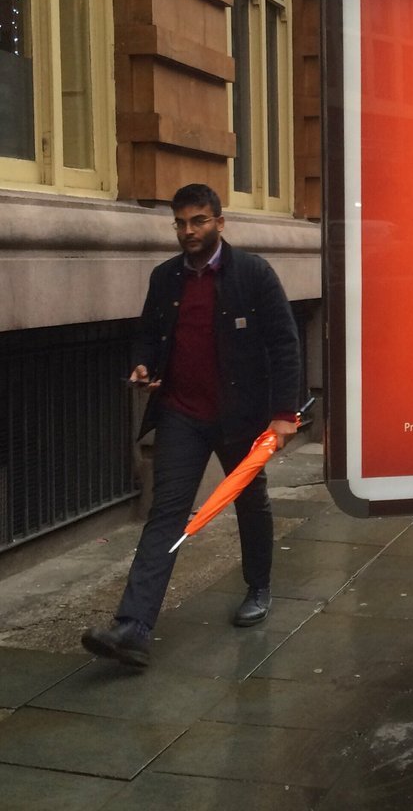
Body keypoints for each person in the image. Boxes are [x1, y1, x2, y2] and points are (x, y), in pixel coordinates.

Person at [82, 184, 301, 668]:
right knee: (167, 513)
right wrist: (144, 364)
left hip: (241, 416)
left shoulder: (253, 274)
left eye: (198, 221)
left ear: (220, 223)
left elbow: (285, 344)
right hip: (183, 413)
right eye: (180, 223)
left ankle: (258, 586)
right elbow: (148, 334)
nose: (188, 231)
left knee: (249, 500)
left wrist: (285, 415)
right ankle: (134, 627)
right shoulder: (165, 278)